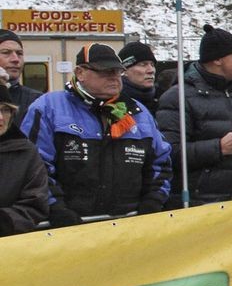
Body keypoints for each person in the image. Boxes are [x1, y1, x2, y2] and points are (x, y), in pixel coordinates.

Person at [21, 42, 171, 226]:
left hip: (129, 224)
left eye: (118, 72)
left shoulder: (138, 112)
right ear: (80, 73)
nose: (114, 78)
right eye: (105, 72)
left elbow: (161, 163)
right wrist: (56, 209)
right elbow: (34, 167)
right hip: (65, 228)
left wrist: (152, 202)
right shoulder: (48, 107)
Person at [156, 25, 232, 206]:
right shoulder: (178, 97)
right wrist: (219, 147)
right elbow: (169, 154)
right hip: (201, 206)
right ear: (217, 59)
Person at [0, 85, 47, 236]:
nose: (1, 118)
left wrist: (6, 221)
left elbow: (35, 204)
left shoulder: (26, 153)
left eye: (5, 110)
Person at [118, 41, 160, 114]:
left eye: (152, 65)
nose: (151, 70)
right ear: (124, 70)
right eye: (143, 64)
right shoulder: (114, 105)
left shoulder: (163, 100)